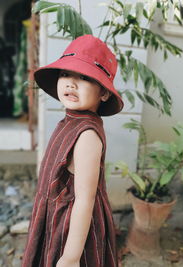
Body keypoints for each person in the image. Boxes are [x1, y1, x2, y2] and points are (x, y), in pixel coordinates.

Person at [22, 34, 124, 267]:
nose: (70, 83)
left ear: (104, 93)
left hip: (70, 229)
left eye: (84, 77)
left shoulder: (87, 135)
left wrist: (70, 256)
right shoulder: (69, 121)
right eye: (66, 74)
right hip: (55, 215)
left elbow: (85, 200)